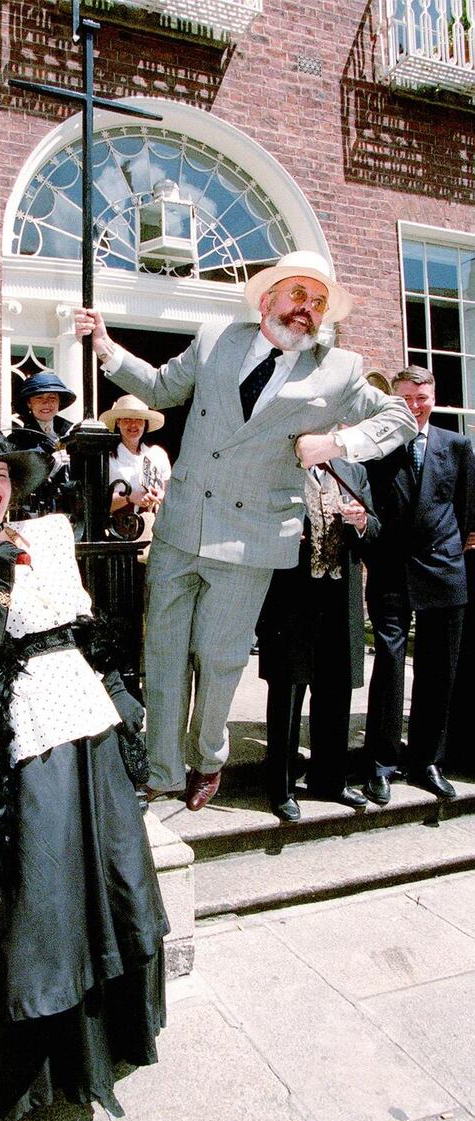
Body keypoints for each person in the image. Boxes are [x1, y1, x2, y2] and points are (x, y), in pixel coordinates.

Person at [74, 250, 416, 810]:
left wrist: (337, 443)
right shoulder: (215, 339)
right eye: (297, 295)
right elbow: (160, 388)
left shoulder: (341, 369)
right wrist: (108, 348)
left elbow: (400, 417)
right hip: (182, 525)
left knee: (219, 657)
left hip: (252, 537)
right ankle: (162, 768)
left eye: (318, 302)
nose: (306, 310)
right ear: (268, 299)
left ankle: (207, 757)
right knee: (162, 652)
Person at [0, 425, 169, 1121]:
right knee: (45, 903)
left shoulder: (47, 536)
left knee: (114, 876)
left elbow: (77, 622)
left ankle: (119, 1035)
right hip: (21, 741)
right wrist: (1, 575)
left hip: (85, 718)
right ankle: (48, 1069)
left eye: (0, 474)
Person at [363, 366, 475, 805]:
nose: (415, 405)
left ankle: (427, 760)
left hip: (443, 571)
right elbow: (368, 506)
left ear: (434, 396)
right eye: (406, 397)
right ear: (394, 399)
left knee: (437, 668)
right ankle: (381, 764)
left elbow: (466, 512)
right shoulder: (378, 446)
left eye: (422, 397)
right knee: (389, 665)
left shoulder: (457, 445)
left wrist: (449, 548)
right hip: (390, 571)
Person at [257, 460, 378, 821]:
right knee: (288, 689)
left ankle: (330, 779)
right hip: (292, 595)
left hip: (340, 594)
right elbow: (256, 518)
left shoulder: (353, 472)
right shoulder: (280, 467)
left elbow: (376, 527)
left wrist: (361, 522)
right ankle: (281, 786)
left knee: (336, 687)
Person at [99, 393, 171, 545]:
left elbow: (171, 495)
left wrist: (159, 496)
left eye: (138, 419)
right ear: (118, 422)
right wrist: (129, 497)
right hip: (117, 534)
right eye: (127, 419)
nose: (133, 425)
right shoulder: (106, 457)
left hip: (155, 532)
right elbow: (96, 504)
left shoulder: (157, 454)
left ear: (145, 423)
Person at [8, 371, 78, 516]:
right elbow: (18, 485)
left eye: (52, 398)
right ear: (29, 403)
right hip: (34, 515)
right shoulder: (18, 440)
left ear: (59, 402)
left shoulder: (72, 434)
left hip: (70, 514)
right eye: (39, 398)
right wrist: (49, 468)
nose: (46, 403)